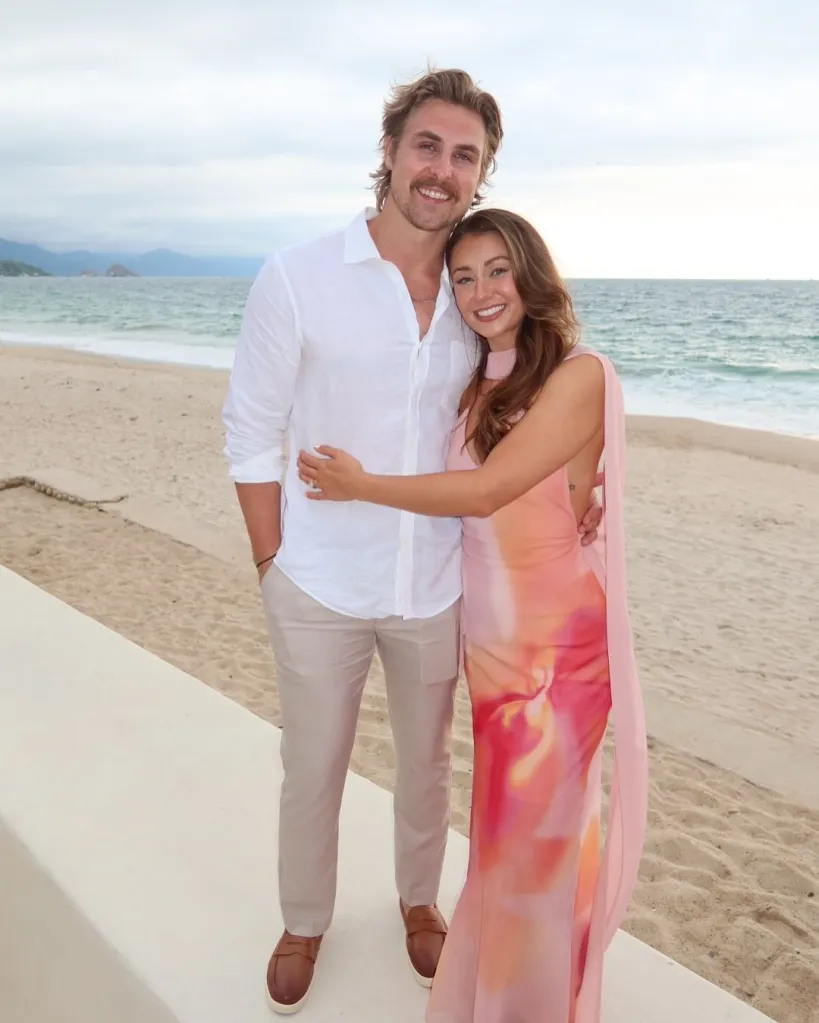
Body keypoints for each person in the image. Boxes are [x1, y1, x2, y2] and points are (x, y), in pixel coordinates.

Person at [222, 69, 602, 1015]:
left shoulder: (483, 298)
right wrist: (272, 563)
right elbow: (249, 429)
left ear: (481, 174)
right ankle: (304, 920)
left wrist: (583, 482)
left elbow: (539, 407)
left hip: (438, 583)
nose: (441, 169)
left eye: (463, 155)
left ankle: (418, 901)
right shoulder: (298, 275)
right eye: (426, 146)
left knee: (428, 763)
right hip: (316, 577)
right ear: (389, 151)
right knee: (310, 764)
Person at [296, 208, 649, 1023]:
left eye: (496, 270)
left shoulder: (579, 374)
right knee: (503, 840)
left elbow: (488, 493)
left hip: (554, 657)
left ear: (532, 272)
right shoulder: (483, 378)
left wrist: (363, 484)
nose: (480, 290)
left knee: (534, 847)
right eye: (462, 276)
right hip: (487, 649)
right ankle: (505, 993)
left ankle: (521, 1006)